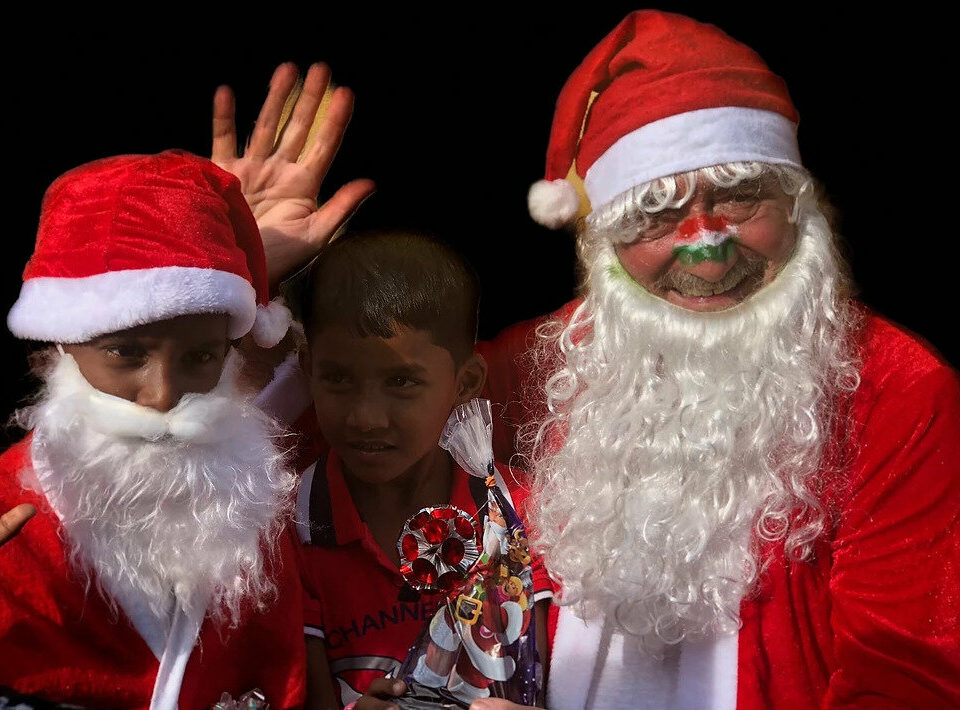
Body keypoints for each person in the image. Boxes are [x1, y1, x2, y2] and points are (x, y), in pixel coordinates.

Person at [472, 10, 960, 710]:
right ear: (605, 241)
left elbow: (905, 680)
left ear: (798, 206)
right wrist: (260, 299)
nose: (706, 246)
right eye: (657, 211)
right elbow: (349, 439)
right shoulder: (541, 365)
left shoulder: (897, 390)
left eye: (738, 197)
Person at [0, 150, 306, 709]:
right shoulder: (6, 511)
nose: (163, 396)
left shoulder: (251, 491)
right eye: (124, 352)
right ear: (63, 342)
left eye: (202, 356)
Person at [289, 230, 552, 709]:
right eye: (339, 378)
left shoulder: (526, 515)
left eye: (402, 382)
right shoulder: (288, 531)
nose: (366, 416)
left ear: (465, 382)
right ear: (308, 369)